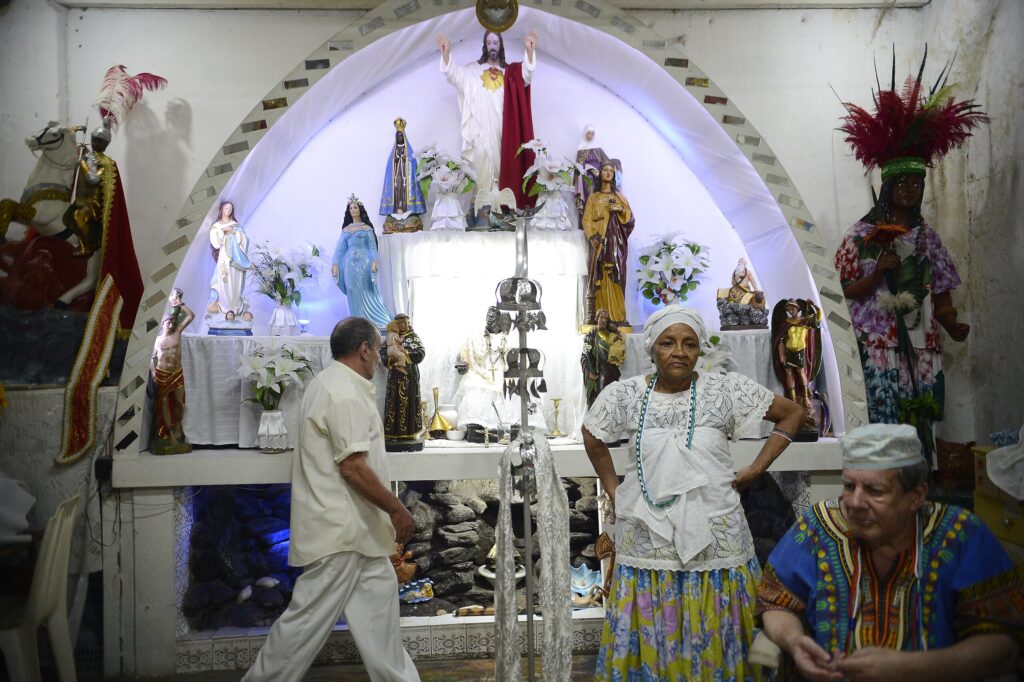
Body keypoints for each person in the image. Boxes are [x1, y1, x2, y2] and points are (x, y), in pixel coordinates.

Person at [582, 304, 805, 680]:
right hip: (648, 539)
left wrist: (756, 467)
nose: (679, 352)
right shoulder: (627, 395)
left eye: (689, 344)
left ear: (700, 349)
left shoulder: (725, 388)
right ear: (652, 348)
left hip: (717, 537)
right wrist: (612, 487)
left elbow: (792, 414)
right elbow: (592, 432)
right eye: (668, 343)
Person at [757, 423, 1019, 682]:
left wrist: (909, 669)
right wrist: (794, 641)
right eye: (849, 486)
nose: (855, 502)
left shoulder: (960, 534)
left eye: (874, 490)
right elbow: (775, 601)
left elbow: (1004, 645)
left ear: (916, 496)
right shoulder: (818, 526)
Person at [243, 316, 420, 682]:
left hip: (360, 534)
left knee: (381, 626)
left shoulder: (332, 383)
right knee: (302, 627)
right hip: (341, 534)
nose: (383, 357)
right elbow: (352, 467)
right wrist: (397, 508)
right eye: (380, 348)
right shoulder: (343, 392)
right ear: (364, 349)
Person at [835, 57, 984, 456]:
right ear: (886, 186)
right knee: (884, 419)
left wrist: (951, 323)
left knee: (922, 418)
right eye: (902, 181)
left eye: (916, 183)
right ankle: (883, 483)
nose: (910, 189)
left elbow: (944, 291)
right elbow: (843, 290)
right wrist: (877, 272)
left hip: (922, 341)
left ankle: (920, 484)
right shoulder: (860, 236)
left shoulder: (928, 239)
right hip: (878, 344)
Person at [437, 29, 537, 212]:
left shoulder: (510, 72)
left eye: (496, 42)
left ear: (501, 46)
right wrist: (446, 54)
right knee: (481, 164)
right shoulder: (472, 71)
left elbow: (526, 75)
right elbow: (453, 74)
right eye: (489, 42)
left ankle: (504, 208)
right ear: (485, 45)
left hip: (503, 129)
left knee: (504, 163)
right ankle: (482, 209)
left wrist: (529, 51)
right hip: (480, 130)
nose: (492, 46)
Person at [582, 162, 635, 327]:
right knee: (599, 277)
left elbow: (630, 220)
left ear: (614, 175)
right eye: (605, 170)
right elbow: (587, 219)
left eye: (611, 171)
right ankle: (600, 316)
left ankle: (618, 316)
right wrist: (592, 237)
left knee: (615, 276)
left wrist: (620, 210)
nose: (608, 173)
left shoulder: (620, 197)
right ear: (600, 173)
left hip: (615, 244)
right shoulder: (594, 197)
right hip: (599, 243)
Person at [332, 196, 393, 329]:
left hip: (364, 264)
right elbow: (339, 250)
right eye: (351, 208)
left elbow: (372, 247)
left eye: (355, 207)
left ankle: (372, 321)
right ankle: (356, 322)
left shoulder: (367, 229)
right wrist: (335, 264)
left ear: (360, 210)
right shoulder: (346, 230)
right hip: (349, 265)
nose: (353, 210)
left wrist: (374, 262)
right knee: (352, 289)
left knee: (365, 289)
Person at [150, 290, 194, 454]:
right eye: (168, 322)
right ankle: (169, 433)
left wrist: (179, 304)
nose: (171, 324)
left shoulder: (178, 333)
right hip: (162, 373)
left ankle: (178, 425)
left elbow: (190, 316)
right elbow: (152, 359)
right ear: (162, 324)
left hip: (176, 373)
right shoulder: (157, 340)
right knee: (163, 404)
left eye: (173, 322)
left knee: (180, 403)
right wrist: (154, 372)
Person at [382, 313, 426, 452]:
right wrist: (392, 360)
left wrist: (405, 352)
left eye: (404, 322)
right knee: (394, 403)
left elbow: (420, 353)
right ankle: (393, 434)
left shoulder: (413, 337)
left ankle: (411, 432)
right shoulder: (391, 336)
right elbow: (383, 352)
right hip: (395, 377)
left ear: (408, 322)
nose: (402, 325)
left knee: (409, 403)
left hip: (409, 378)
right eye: (399, 323)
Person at [379, 117, 426, 233]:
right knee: (398, 195)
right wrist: (397, 160)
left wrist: (404, 160)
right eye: (398, 136)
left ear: (404, 137)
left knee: (405, 194)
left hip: (406, 180)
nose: (399, 137)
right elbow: (391, 168)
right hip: (397, 180)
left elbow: (412, 165)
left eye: (401, 136)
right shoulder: (393, 153)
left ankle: (410, 212)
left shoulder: (410, 153)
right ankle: (396, 212)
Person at [573, 124, 621, 228]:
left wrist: (615, 165)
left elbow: (606, 161)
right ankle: (590, 215)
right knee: (590, 186)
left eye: (592, 134)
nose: (590, 136)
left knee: (605, 188)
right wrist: (589, 169)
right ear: (585, 134)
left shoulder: (598, 148)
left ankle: (604, 216)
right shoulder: (581, 149)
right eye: (589, 133)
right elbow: (578, 166)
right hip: (587, 175)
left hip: (600, 173)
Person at [208, 200, 250, 316]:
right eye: (226, 208)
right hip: (225, 258)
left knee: (235, 281)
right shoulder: (216, 226)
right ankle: (224, 306)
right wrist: (223, 231)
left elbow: (245, 240)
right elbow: (216, 244)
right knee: (224, 280)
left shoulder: (236, 225)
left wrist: (237, 234)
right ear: (221, 209)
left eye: (230, 209)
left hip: (236, 259)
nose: (228, 210)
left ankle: (235, 305)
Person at [581, 308, 625, 407]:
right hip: (599, 371)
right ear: (597, 318)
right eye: (602, 317)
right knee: (600, 397)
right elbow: (585, 355)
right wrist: (589, 372)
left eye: (606, 318)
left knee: (611, 399)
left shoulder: (611, 335)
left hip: (611, 371)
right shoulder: (591, 335)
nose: (604, 320)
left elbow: (618, 348)